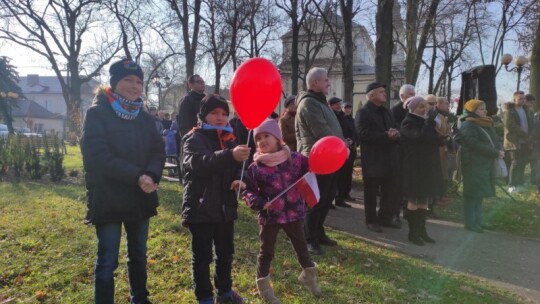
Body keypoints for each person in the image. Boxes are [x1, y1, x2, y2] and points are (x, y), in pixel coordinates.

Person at [80, 58, 165, 304]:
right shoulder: (97, 113)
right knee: (107, 260)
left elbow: (157, 151)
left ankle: (140, 298)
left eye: (139, 81)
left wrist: (151, 174)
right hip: (109, 197)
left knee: (138, 254)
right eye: (128, 80)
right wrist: (136, 176)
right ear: (115, 82)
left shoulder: (145, 117)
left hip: (141, 197)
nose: (135, 86)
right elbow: (97, 155)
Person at [240, 119, 321, 303]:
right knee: (266, 251)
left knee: (302, 247)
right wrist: (259, 203)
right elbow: (248, 190)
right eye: (258, 138)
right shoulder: (256, 167)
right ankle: (264, 287)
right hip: (270, 216)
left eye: (266, 136)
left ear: (277, 138)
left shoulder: (295, 159)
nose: (262, 141)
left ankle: (309, 276)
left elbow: (313, 167)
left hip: (293, 212)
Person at [181, 94, 251, 304]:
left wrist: (241, 180)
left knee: (225, 252)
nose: (220, 117)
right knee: (202, 256)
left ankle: (225, 291)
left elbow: (242, 168)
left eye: (223, 113)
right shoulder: (194, 138)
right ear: (203, 115)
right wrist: (230, 156)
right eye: (214, 113)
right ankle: (204, 297)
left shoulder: (231, 139)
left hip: (225, 207)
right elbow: (200, 163)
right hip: (201, 207)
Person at [295, 67, 346, 255]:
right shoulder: (309, 103)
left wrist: (342, 143)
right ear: (315, 83)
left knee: (326, 198)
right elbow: (322, 131)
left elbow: (332, 129)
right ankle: (309, 239)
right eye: (326, 80)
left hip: (329, 157)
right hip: (316, 158)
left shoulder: (320, 102)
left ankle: (319, 232)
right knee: (314, 200)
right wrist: (342, 146)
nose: (329, 83)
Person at [356, 82, 400, 233]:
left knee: (389, 191)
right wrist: (385, 136)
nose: (385, 94)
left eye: (384, 91)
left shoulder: (386, 112)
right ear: (371, 95)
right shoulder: (363, 112)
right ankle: (371, 220)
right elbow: (362, 134)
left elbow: (394, 128)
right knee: (371, 193)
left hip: (389, 158)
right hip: (373, 159)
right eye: (381, 92)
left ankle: (384, 218)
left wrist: (396, 134)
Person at [400, 96, 442, 245]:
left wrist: (445, 139)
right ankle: (413, 233)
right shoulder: (408, 122)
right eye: (421, 107)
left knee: (424, 201)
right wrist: (428, 122)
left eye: (426, 106)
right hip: (414, 167)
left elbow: (433, 139)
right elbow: (419, 137)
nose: (425, 109)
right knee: (414, 200)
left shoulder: (426, 122)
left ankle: (422, 231)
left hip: (427, 166)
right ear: (413, 108)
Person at [458, 99, 504, 232]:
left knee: (480, 193)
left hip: (485, 163)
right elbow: (474, 144)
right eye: (481, 108)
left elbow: (495, 139)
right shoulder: (468, 124)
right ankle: (470, 222)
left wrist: (500, 149)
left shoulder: (486, 123)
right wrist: (495, 152)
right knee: (472, 194)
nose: (485, 110)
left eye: (485, 108)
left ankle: (478, 220)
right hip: (473, 163)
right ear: (472, 110)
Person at [503, 91, 533, 193]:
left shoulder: (528, 111)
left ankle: (519, 183)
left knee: (523, 162)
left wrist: (530, 136)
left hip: (526, 141)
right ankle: (511, 184)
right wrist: (525, 135)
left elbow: (531, 125)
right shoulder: (509, 111)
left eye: (524, 98)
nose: (523, 100)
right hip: (514, 142)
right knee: (515, 162)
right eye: (520, 98)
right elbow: (511, 126)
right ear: (514, 99)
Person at [328, 97, 353, 208]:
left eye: (339, 104)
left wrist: (352, 140)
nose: (338, 106)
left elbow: (350, 129)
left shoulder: (343, 116)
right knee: (332, 178)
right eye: (336, 104)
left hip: (345, 146)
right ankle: (329, 200)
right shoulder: (330, 116)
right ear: (331, 105)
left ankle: (340, 198)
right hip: (334, 149)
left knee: (342, 176)